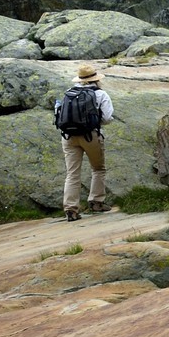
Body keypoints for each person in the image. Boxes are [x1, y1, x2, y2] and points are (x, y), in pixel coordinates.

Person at [53, 65, 114, 221]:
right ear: (96, 79)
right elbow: (107, 117)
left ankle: (71, 209)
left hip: (68, 136)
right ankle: (96, 202)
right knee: (98, 168)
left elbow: (59, 113)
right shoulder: (100, 94)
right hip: (90, 136)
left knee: (72, 173)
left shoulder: (69, 93)